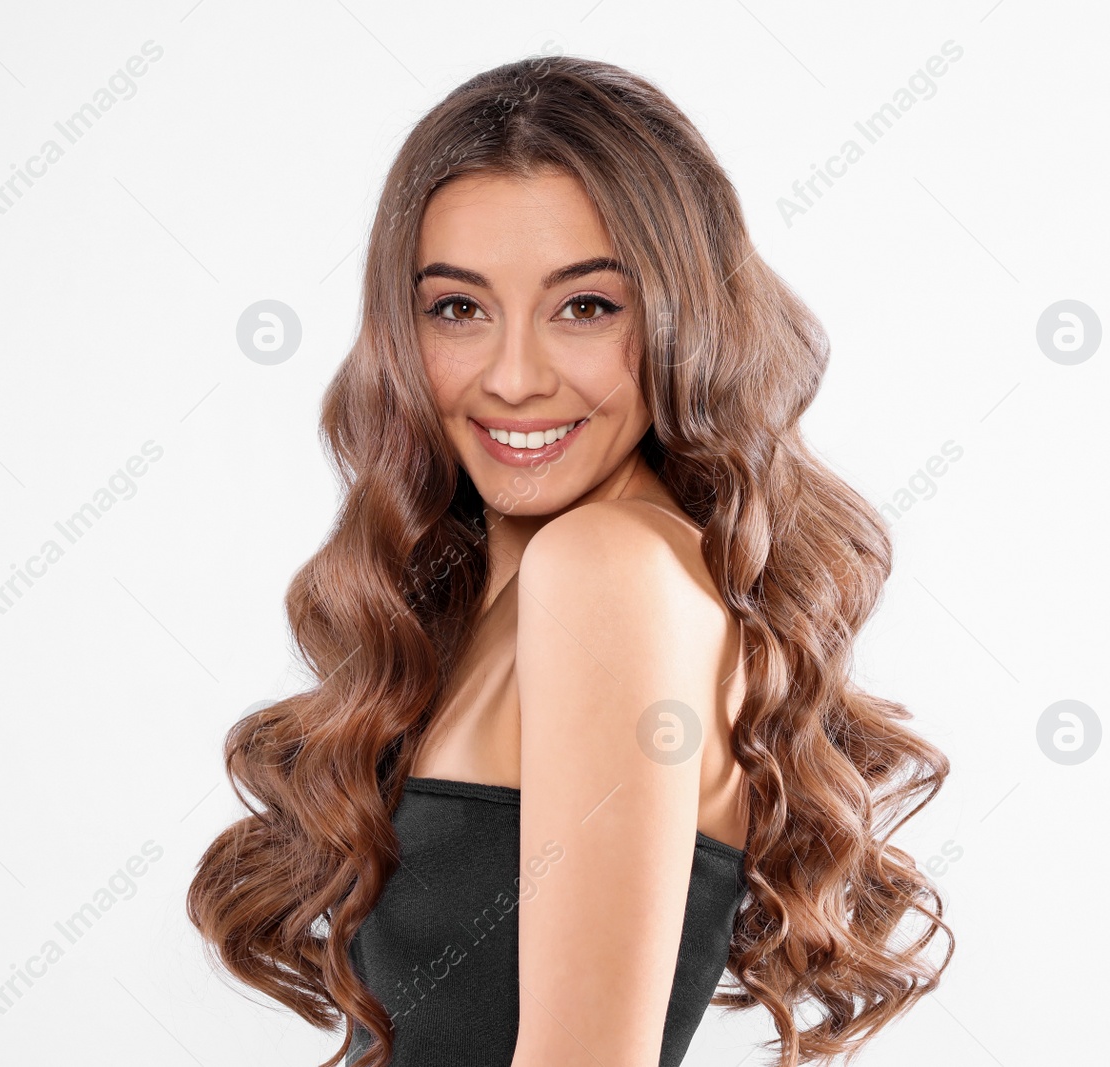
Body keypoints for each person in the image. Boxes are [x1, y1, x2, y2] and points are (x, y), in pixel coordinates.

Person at [188, 54, 952, 1067]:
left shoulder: (607, 570)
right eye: (457, 308)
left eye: (586, 305)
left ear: (682, 317)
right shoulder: (490, 608)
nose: (513, 376)